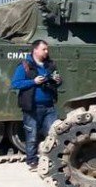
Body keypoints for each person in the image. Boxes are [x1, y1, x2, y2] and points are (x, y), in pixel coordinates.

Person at [10, 39, 62, 170]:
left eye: (47, 49)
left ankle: (53, 159)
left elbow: (57, 81)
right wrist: (33, 81)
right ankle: (32, 161)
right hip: (32, 107)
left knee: (54, 134)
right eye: (44, 49)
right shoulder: (25, 66)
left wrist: (58, 80)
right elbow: (15, 84)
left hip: (49, 106)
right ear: (35, 50)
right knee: (32, 136)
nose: (46, 51)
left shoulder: (50, 65)